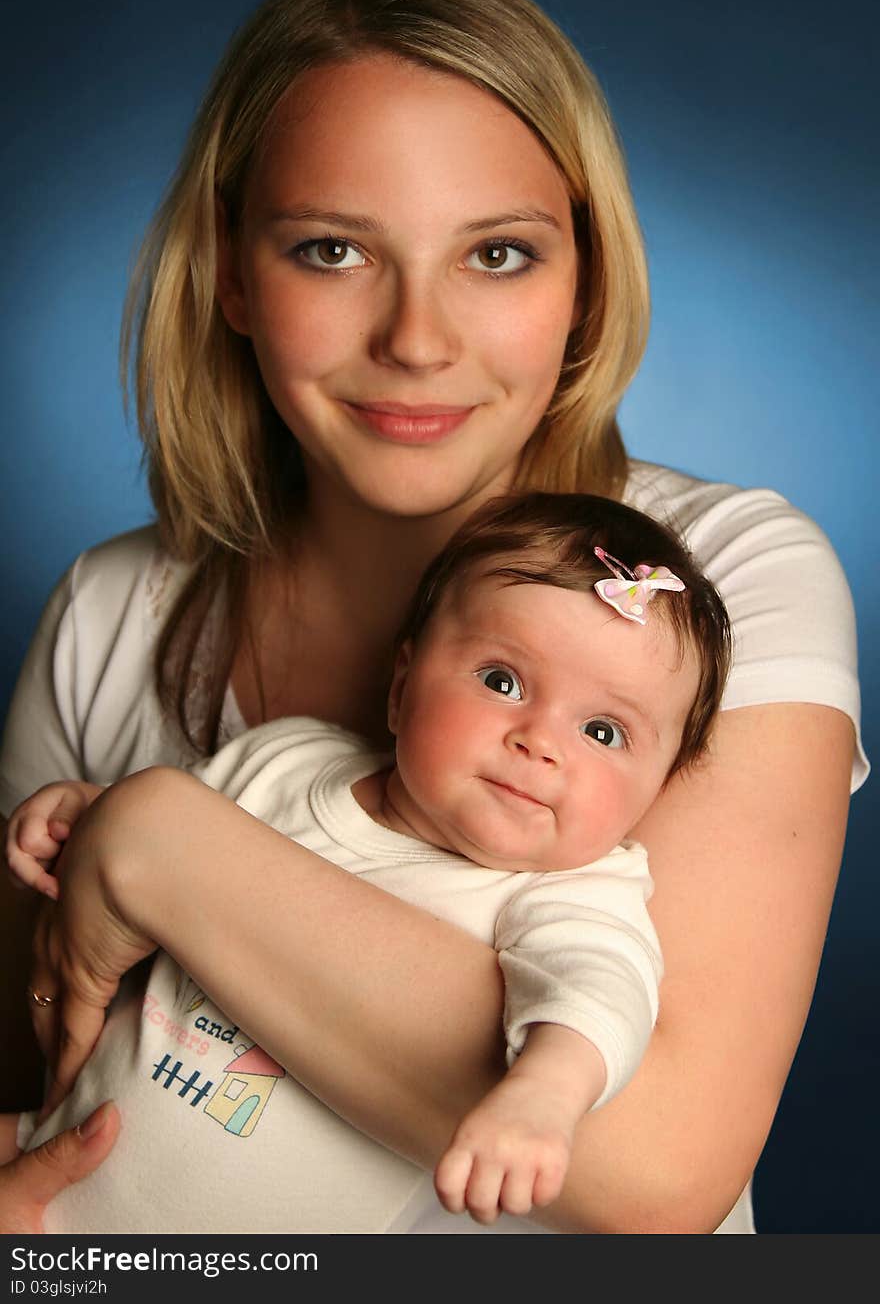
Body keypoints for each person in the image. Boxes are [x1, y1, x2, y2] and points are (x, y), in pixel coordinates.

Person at [0, 0, 865, 1234]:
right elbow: (41, 1082)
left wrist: (159, 843)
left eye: (499, 254)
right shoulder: (108, 612)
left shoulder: (711, 578)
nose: (416, 338)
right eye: (334, 248)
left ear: (585, 283)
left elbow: (650, 1167)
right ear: (234, 272)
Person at [6, 493, 731, 1232]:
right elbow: (140, 869)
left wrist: (544, 1096)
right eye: (502, 681)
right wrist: (88, 814)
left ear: (656, 791)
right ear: (400, 687)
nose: (540, 742)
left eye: (603, 731)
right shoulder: (283, 760)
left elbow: (600, 995)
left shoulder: (570, 893)